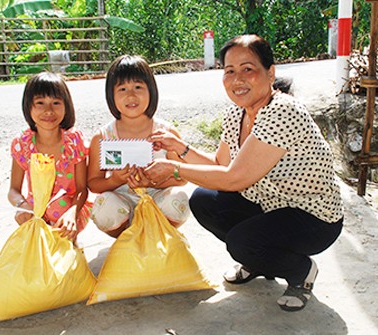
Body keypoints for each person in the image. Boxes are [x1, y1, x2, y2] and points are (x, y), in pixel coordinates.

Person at [144, 34, 343, 312]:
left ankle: (301, 272)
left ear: (270, 73)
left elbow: (235, 178)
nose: (238, 79)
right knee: (203, 200)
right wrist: (180, 147)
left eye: (248, 69)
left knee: (241, 243)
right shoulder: (236, 114)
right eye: (229, 71)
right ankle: (261, 261)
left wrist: (174, 168)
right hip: (271, 204)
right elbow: (220, 165)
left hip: (312, 218)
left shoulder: (283, 111)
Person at [87, 55, 190, 238]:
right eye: (122, 89)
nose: (131, 95)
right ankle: (128, 240)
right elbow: (94, 183)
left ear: (151, 90)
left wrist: (152, 182)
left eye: (138, 87)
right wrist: (116, 180)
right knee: (103, 207)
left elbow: (182, 178)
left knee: (178, 198)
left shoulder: (165, 132)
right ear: (111, 95)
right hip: (123, 201)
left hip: (158, 197)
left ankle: (159, 235)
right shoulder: (103, 137)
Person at [8, 71, 91, 242]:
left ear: (66, 106)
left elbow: (82, 189)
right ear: (28, 106)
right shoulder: (22, 144)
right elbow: (13, 190)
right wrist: (22, 206)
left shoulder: (74, 141)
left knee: (59, 208)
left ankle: (68, 242)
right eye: (40, 103)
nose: (48, 110)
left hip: (70, 208)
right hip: (35, 208)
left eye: (56, 102)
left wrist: (72, 213)